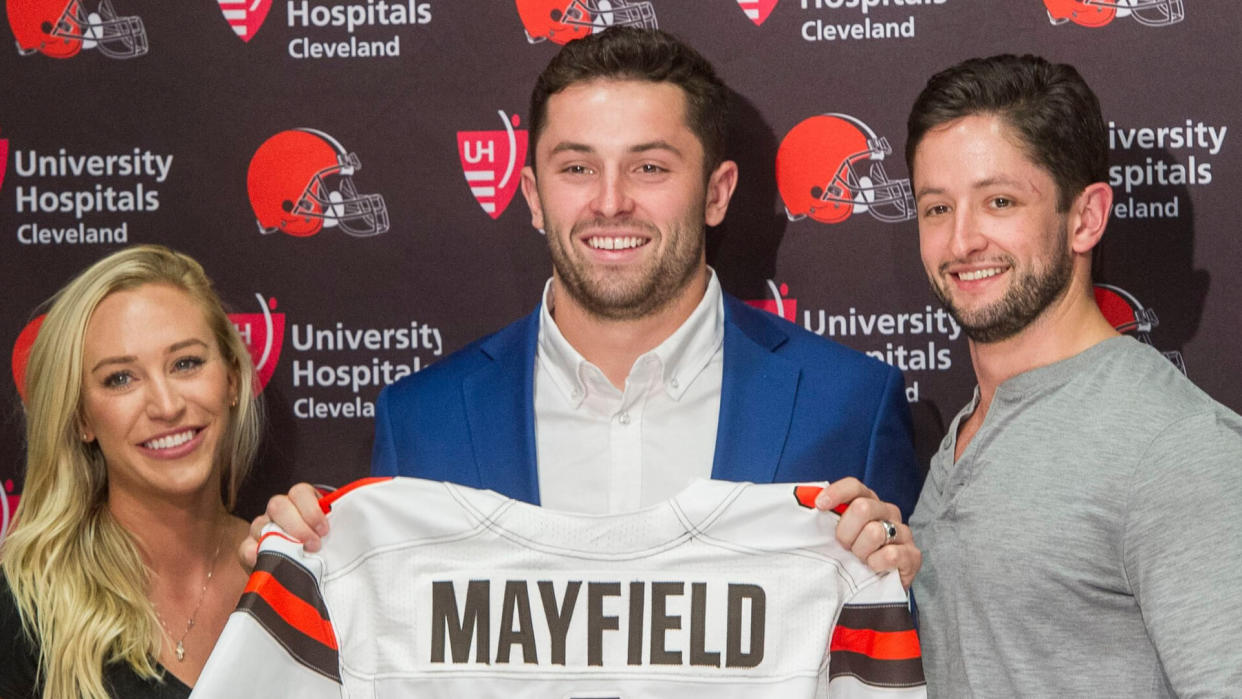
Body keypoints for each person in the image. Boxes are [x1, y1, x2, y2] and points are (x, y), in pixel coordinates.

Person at [248, 27, 923, 584]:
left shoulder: (851, 405)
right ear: (535, 195)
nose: (609, 200)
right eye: (576, 168)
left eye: (650, 167)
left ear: (717, 193)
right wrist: (303, 570)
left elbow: (892, 654)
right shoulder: (422, 419)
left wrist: (901, 573)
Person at [904, 54, 1242, 695]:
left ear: (1085, 218)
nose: (961, 242)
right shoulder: (964, 434)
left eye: (999, 201)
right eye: (937, 209)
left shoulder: (1178, 448)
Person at [0, 245, 263, 698]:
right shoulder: (25, 604)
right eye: (120, 378)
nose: (167, 406)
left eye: (186, 363)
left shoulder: (300, 579)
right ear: (82, 418)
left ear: (233, 380)